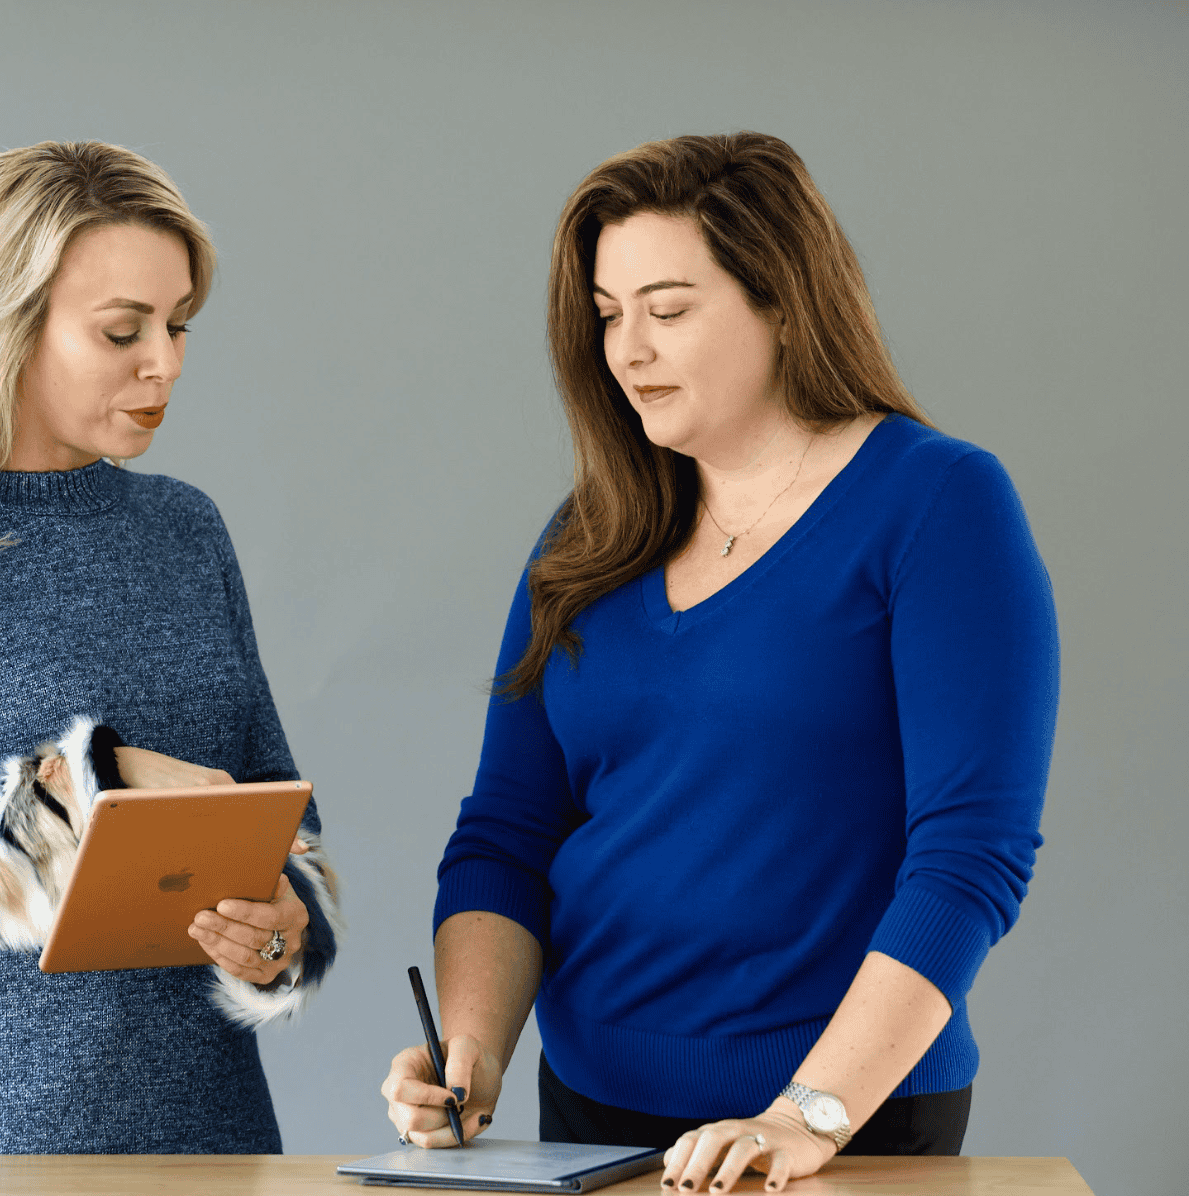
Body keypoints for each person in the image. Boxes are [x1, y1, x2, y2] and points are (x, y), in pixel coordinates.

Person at [380, 132, 1058, 1194]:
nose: (628, 349)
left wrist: (808, 1116)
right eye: (608, 315)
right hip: (590, 1116)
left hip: (840, 1117)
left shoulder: (937, 503)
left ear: (781, 301)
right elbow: (508, 832)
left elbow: (973, 853)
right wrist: (473, 1052)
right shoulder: (587, 534)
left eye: (668, 307)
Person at [0, 141, 339, 1155]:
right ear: (7, 324)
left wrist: (283, 922)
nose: (166, 362)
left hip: (216, 1138)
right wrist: (94, 781)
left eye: (179, 326)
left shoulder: (186, 531)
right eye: (123, 330)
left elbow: (278, 804)